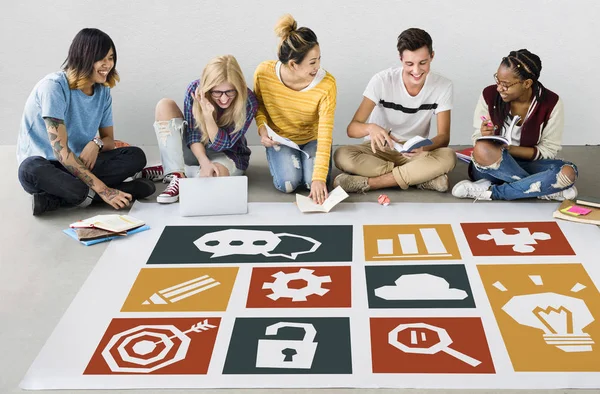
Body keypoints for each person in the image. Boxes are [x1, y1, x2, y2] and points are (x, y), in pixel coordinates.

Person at [17, 28, 154, 216]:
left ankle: (59, 199)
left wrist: (95, 143)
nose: (108, 65)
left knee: (136, 156)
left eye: (111, 58)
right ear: (84, 57)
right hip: (48, 167)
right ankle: (120, 191)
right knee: (29, 169)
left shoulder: (103, 91)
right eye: (102, 58)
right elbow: (61, 153)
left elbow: (108, 140)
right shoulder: (54, 87)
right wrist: (105, 190)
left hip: (80, 163)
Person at [333, 28, 455, 194]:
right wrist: (370, 128)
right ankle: (420, 178)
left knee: (448, 156)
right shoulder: (382, 81)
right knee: (341, 155)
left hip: (415, 154)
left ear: (432, 56)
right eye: (409, 64)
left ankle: (370, 183)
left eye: (423, 63)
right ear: (400, 59)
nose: (416, 71)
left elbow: (444, 137)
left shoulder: (443, 86)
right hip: (379, 151)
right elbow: (352, 129)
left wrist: (423, 149)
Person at [451, 49, 578, 201]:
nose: (499, 88)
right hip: (492, 166)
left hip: (530, 163)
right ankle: (542, 188)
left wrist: (511, 149)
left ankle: (491, 191)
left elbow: (548, 150)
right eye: (497, 80)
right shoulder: (489, 95)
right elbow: (477, 137)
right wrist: (485, 136)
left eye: (505, 84)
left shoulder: (551, 103)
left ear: (527, 83)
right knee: (482, 149)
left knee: (568, 172)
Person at [141, 55, 257, 203]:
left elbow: (223, 144)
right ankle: (177, 173)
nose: (224, 99)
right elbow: (193, 135)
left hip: (228, 154)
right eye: (217, 92)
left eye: (230, 91)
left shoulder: (248, 100)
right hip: (196, 149)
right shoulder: (194, 90)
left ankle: (173, 168)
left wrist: (208, 116)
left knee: (210, 180)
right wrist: (203, 161)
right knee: (164, 105)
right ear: (208, 88)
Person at [254, 14, 337, 205]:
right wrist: (262, 128)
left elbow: (325, 132)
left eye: (319, 59)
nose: (318, 66)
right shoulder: (264, 73)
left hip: (312, 138)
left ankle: (310, 170)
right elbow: (259, 106)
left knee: (313, 183)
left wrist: (317, 179)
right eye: (312, 62)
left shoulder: (327, 84)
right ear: (293, 64)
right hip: (282, 138)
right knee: (288, 184)